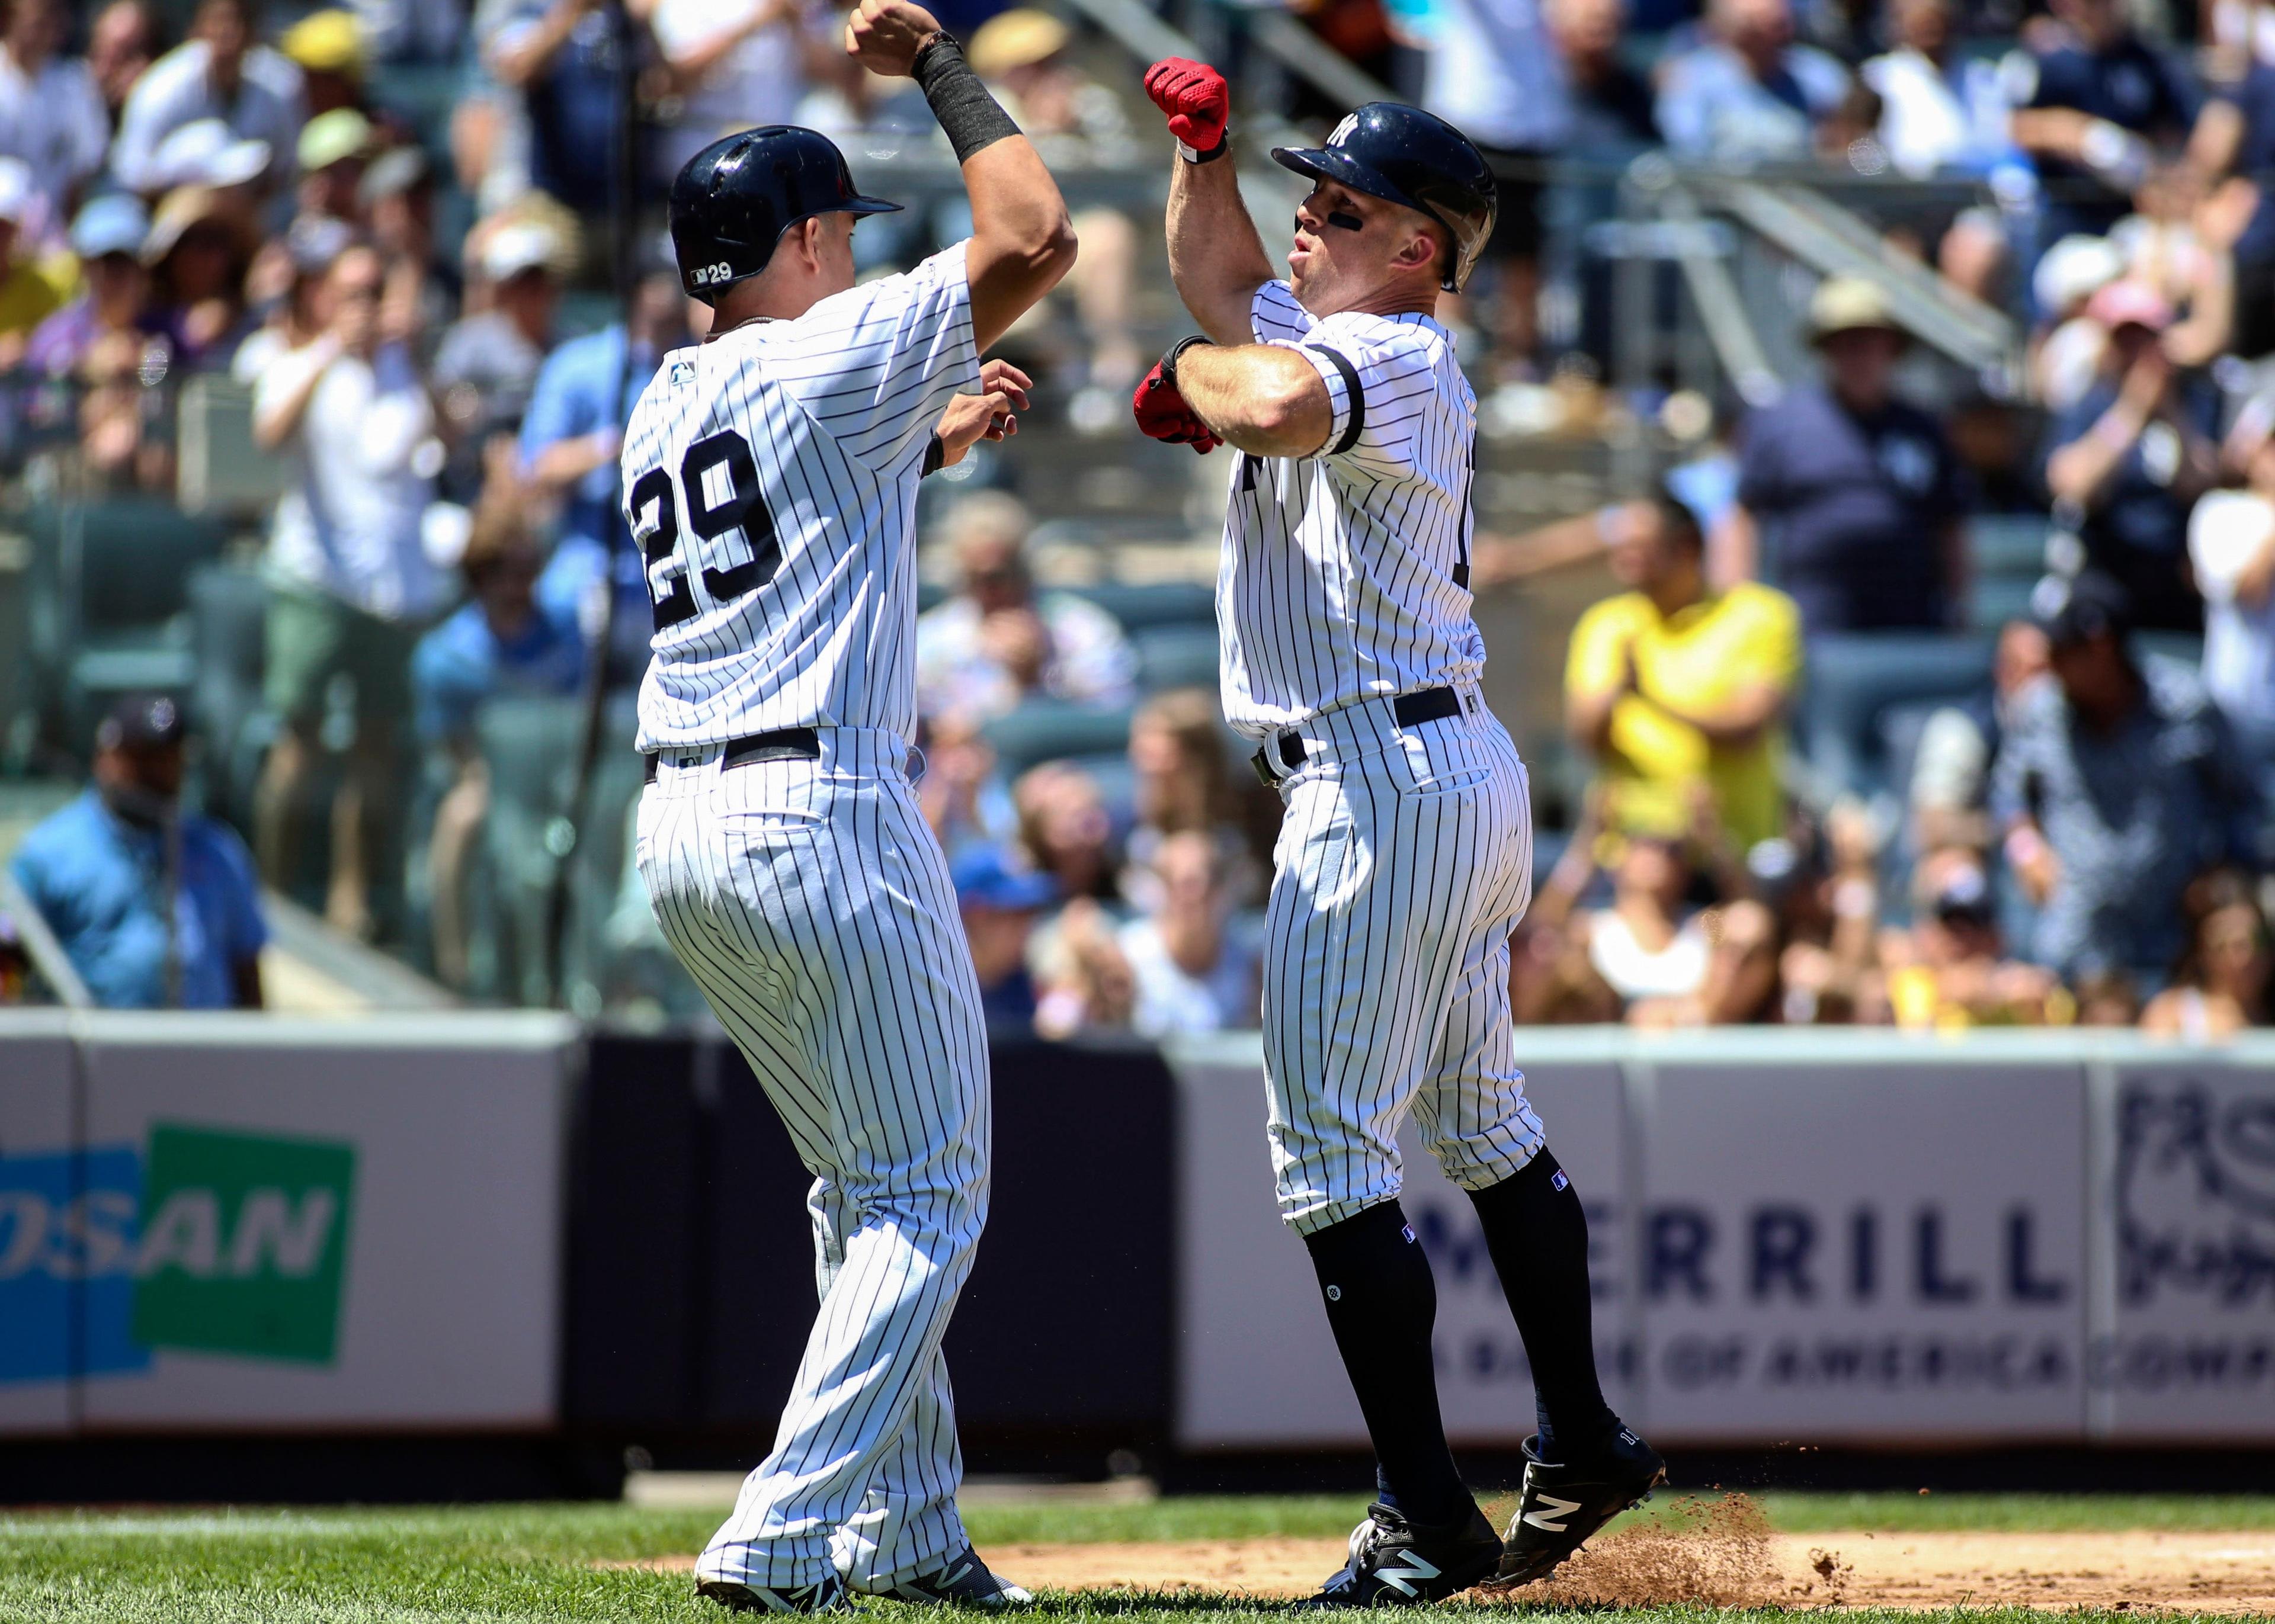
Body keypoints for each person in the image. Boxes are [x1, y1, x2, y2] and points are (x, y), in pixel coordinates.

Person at [1131, 69, 1659, 1601]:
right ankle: (1580, 1433)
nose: (1310, 216)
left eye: (1343, 206)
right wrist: (1203, 157)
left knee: (1329, 1156)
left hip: (1379, 778)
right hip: (1433, 767)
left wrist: (1192, 374)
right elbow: (1217, 284)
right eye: (1310, 194)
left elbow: (1269, 395)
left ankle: (1424, 1509)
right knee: (1481, 1118)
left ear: (1422, 248)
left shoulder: (1405, 356)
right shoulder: (1336, 320)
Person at [624, 0, 1076, 1606]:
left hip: (685, 830)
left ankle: (910, 1524)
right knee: (930, 1191)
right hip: (819, 808)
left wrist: (925, 452)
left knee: (861, 1186)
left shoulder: (665, 397)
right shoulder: (832, 343)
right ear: (808, 237)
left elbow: (794, 519)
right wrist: (943, 65)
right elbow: (1038, 229)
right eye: (838, 227)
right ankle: (780, 1529)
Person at [251, 242, 448, 942]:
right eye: (353, 291)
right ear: (327, 296)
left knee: (375, 750)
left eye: (376, 290)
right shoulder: (299, 361)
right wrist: (332, 347)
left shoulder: (405, 369)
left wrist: (418, 357)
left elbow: (450, 437)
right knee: (298, 744)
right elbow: (268, 432)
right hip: (314, 581)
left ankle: (351, 905)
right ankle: (270, 901)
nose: (367, 304)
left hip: (392, 591)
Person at [1993, 570, 2258, 983]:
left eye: (2062, 651)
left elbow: (2243, 801)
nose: (2052, 665)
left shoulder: (2186, 707)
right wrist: (2027, 851)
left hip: (2173, 943)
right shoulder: (2039, 711)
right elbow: (2009, 794)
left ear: (2100, 646)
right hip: (2072, 943)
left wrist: (2220, 871)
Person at [412, 460, 588, 988]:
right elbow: (449, 749)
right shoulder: (446, 656)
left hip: (564, 775)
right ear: (479, 575)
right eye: (505, 572)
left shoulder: (565, 634)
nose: (519, 585)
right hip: (489, 779)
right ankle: (456, 966)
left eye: (527, 569)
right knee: (462, 816)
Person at [1728, 277, 1971, 632]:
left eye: (1868, 341)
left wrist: (1959, 607)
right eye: (1844, 343)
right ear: (1825, 350)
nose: (1858, 354)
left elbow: (1950, 526)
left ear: (1891, 348)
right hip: (1812, 626)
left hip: (1910, 627)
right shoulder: (1782, 423)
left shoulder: (1924, 429)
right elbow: (1742, 517)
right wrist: (1740, 611)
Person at [1565, 492, 1802, 851]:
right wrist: (1617, 692)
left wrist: (1648, 696)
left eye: (1641, 547)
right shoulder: (1605, 625)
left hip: (1733, 858)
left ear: (1688, 546)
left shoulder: (1760, 616)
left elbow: (1746, 728)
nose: (1625, 559)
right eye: (1620, 547)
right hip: (1632, 862)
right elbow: (1586, 738)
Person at [7, 695, 265, 1010]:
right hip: (96, 1049)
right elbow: (9, 968)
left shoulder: (217, 850)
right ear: (105, 758)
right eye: (141, 758)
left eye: (168, 759)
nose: (155, 773)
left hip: (207, 1049)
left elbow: (247, 972)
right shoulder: (49, 853)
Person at [520, 261, 692, 676]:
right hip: (590, 566)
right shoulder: (581, 365)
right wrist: (614, 446)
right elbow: (534, 469)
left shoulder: (701, 363)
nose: (663, 301)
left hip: (678, 573)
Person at [2042, 280, 2219, 631]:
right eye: (2125, 340)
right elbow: (2072, 485)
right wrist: (2132, 413)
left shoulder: (2195, 401)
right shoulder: (2090, 404)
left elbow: (2204, 485)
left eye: (2145, 339)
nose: (2136, 351)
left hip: (2179, 583)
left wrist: (2172, 417)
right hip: (2108, 578)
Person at [913, 492, 1137, 719]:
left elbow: (1113, 711)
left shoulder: (1080, 627)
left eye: (998, 576)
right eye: (974, 578)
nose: (990, 590)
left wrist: (1035, 675)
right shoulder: (932, 637)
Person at [2007, 0, 2197, 244]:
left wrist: (2145, 163)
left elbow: (2177, 136)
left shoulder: (2149, 63)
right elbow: (2017, 129)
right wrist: (2083, 136)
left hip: (2138, 217)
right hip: (2073, 225)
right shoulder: (2054, 65)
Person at [110, 0, 306, 198]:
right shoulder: (160, 90)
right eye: (220, 20)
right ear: (198, 28)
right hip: (164, 203)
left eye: (242, 21)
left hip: (251, 206)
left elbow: (286, 169)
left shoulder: (281, 86)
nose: (230, 32)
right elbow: (133, 174)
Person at [1655, 0, 1850, 164]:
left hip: (1807, 195)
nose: (1772, 37)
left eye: (1778, 25)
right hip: (1720, 198)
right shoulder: (1691, 79)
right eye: (1756, 27)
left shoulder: (1821, 75)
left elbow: (1846, 145)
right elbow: (1688, 153)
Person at [1117, 828, 1259, 1036]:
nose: (1195, 897)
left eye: (1209, 883)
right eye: (1185, 885)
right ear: (1163, 889)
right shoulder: (1126, 957)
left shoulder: (1250, 968)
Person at [649, 0, 808, 177]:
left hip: (776, 162)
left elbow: (824, 69)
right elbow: (677, 75)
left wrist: (797, 23)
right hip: (704, 165)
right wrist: (756, 21)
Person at [0, 0, 110, 248]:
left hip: (52, 244)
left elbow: (82, 176)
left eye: (55, 14)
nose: (48, 25)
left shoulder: (78, 84)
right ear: (10, 16)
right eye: (39, 16)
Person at [2139, 869, 2270, 1036]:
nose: (2247, 957)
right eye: (2225, 945)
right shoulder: (2172, 1015)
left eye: (2258, 941)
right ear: (2203, 954)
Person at [950, 842, 1053, 1029]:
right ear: (976, 915)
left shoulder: (1022, 983)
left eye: (1031, 913)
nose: (1027, 927)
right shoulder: (941, 983)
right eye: (1016, 914)